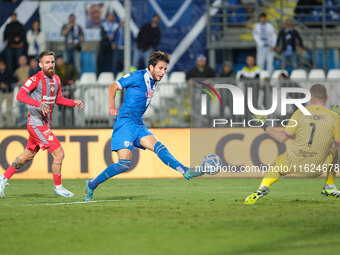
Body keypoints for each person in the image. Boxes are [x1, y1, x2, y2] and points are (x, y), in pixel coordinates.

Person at [83, 51, 203, 201]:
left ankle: (185, 170)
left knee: (159, 147)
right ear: (151, 67)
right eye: (160, 68)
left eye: (165, 69)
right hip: (125, 121)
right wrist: (112, 106)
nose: (163, 72)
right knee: (124, 164)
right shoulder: (137, 76)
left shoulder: (154, 81)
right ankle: (92, 184)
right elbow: (112, 87)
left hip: (138, 123)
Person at [0, 50, 84, 199]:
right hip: (36, 124)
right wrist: (38, 104)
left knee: (27, 155)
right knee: (59, 153)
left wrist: (73, 102)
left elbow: (58, 99)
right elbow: (20, 95)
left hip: (45, 124)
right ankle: (58, 187)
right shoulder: (35, 79)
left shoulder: (57, 79)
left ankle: (3, 178)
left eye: (52, 62)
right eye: (47, 62)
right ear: (40, 65)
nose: (51, 65)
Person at [245, 84, 340, 205]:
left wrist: (263, 125)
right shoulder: (334, 117)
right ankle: (329, 185)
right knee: (333, 149)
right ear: (327, 97)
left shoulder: (299, 113)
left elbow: (282, 138)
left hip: (294, 162)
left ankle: (262, 187)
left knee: (277, 166)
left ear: (310, 97)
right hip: (317, 167)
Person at [55, 55, 78, 126]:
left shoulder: (69, 67)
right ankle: (62, 124)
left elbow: (76, 74)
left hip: (69, 89)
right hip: (60, 91)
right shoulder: (54, 69)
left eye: (60, 60)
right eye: (58, 61)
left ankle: (72, 123)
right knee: (62, 109)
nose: (59, 62)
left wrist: (72, 80)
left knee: (71, 108)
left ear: (63, 60)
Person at [0, 59, 13, 127]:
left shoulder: (9, 71)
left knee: (9, 109)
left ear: (4, 65)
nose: (0, 66)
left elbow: (13, 80)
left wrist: (6, 84)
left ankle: (10, 125)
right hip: (2, 92)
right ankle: (1, 124)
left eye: (1, 65)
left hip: (9, 92)